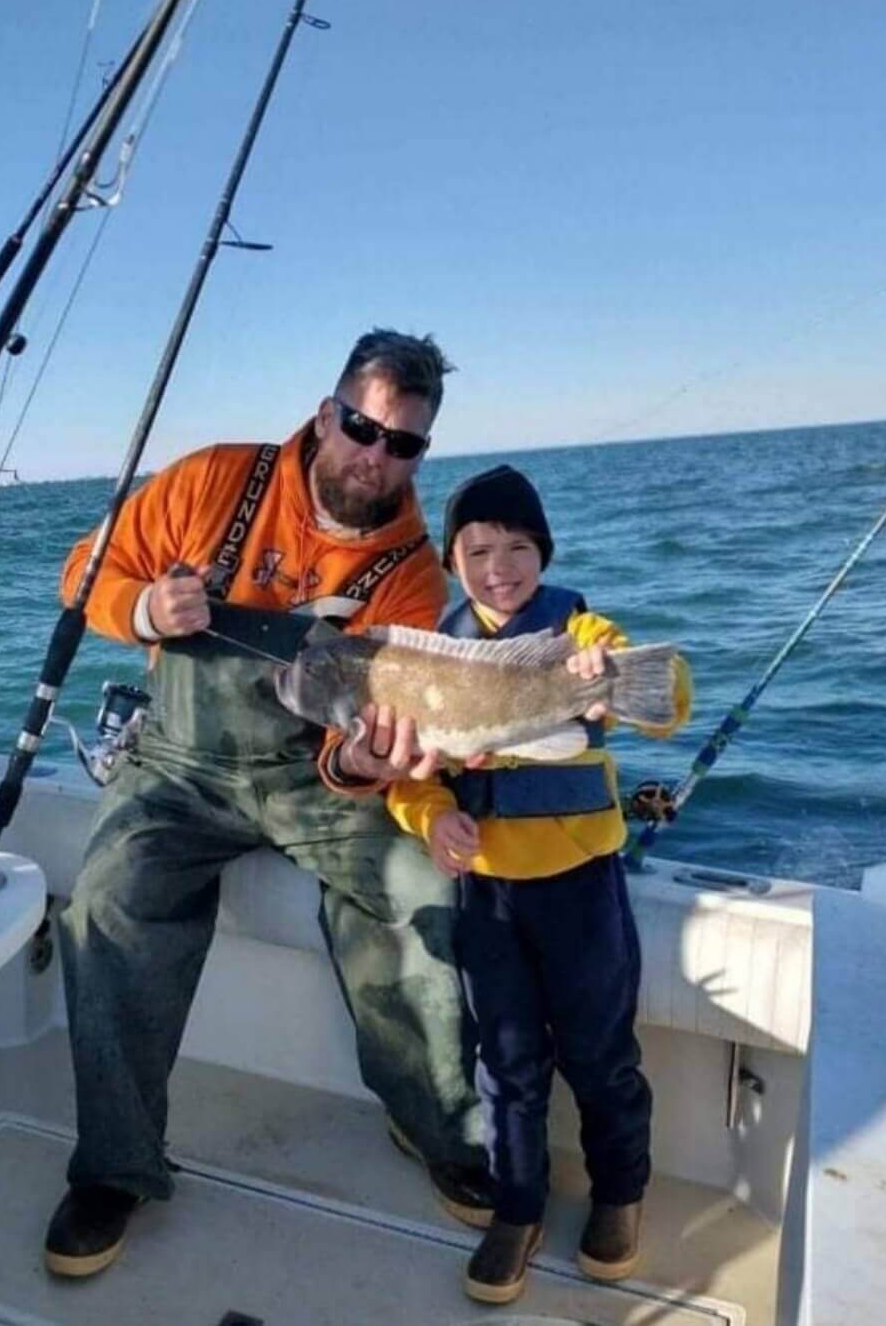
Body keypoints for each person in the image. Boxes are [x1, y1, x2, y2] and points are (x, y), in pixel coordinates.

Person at [44, 329, 492, 1278]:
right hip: (176, 763)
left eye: (403, 444)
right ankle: (116, 1166)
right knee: (109, 900)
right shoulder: (213, 480)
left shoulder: (412, 570)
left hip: (309, 777)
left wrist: (368, 758)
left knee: (416, 885)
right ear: (328, 411)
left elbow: (362, 743)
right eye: (363, 427)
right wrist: (143, 610)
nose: (376, 457)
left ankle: (437, 1122)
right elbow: (83, 571)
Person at [387, 464, 692, 1305]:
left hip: (581, 884)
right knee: (508, 1061)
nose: (500, 565)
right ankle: (517, 1206)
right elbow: (411, 776)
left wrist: (615, 674)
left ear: (544, 552)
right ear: (453, 560)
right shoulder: (428, 646)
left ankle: (620, 1193)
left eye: (518, 546)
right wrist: (430, 817)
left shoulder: (577, 624)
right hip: (487, 893)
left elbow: (668, 699)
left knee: (601, 1054)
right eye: (478, 548)